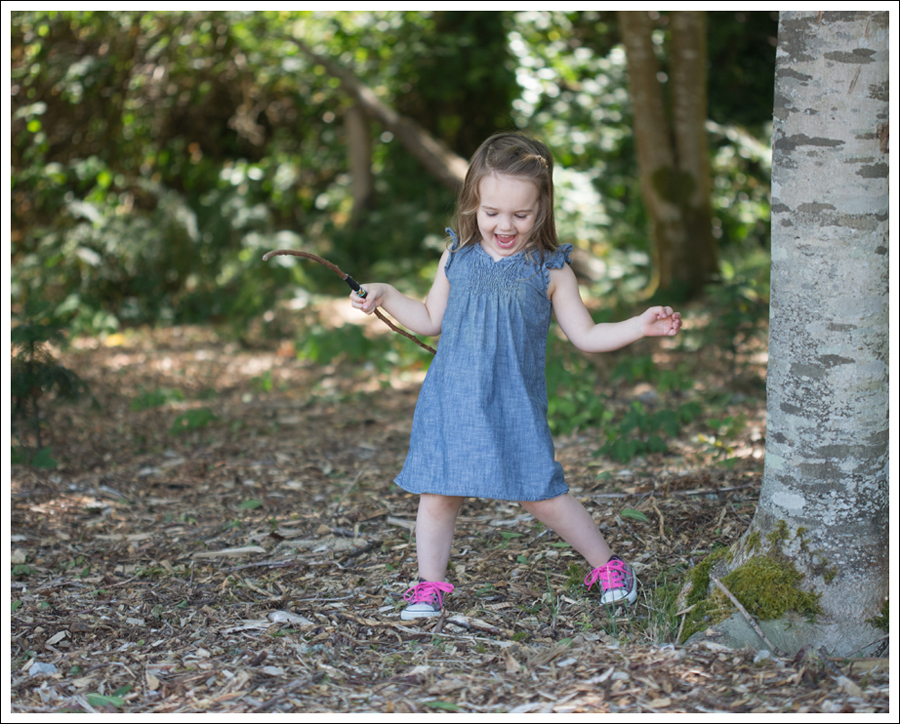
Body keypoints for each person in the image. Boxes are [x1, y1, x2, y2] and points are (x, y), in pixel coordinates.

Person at [351, 132, 682, 620]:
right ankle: (429, 584)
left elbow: (586, 335)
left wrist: (639, 325)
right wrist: (385, 292)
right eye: (492, 213)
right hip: (453, 400)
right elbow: (427, 318)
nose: (505, 225)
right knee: (439, 494)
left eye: (520, 215)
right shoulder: (456, 258)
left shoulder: (550, 272)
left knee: (542, 494)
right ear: (473, 206)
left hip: (513, 403)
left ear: (541, 210)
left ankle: (609, 565)